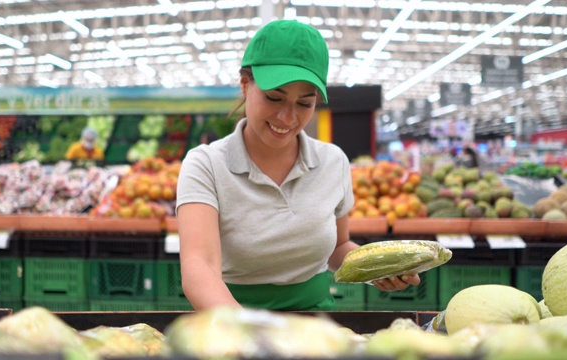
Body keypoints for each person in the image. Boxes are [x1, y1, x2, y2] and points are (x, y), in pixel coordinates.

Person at [176, 19, 420, 312]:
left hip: (315, 323)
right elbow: (199, 264)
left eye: (305, 103)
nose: (287, 117)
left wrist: (380, 267)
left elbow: (338, 248)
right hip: (229, 321)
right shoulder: (205, 165)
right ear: (245, 85)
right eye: (274, 97)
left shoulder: (333, 161)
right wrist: (245, 331)